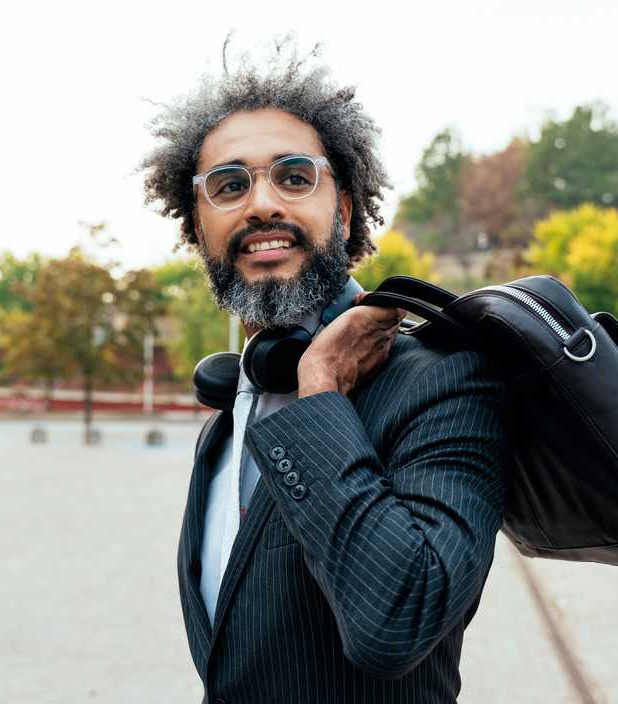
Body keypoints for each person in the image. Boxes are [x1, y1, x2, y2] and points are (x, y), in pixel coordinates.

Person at [140, 43, 507, 704]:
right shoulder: (229, 415)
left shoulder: (447, 382)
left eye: (294, 177)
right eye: (229, 186)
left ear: (342, 210)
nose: (260, 204)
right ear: (198, 226)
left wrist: (320, 394)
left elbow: (397, 623)